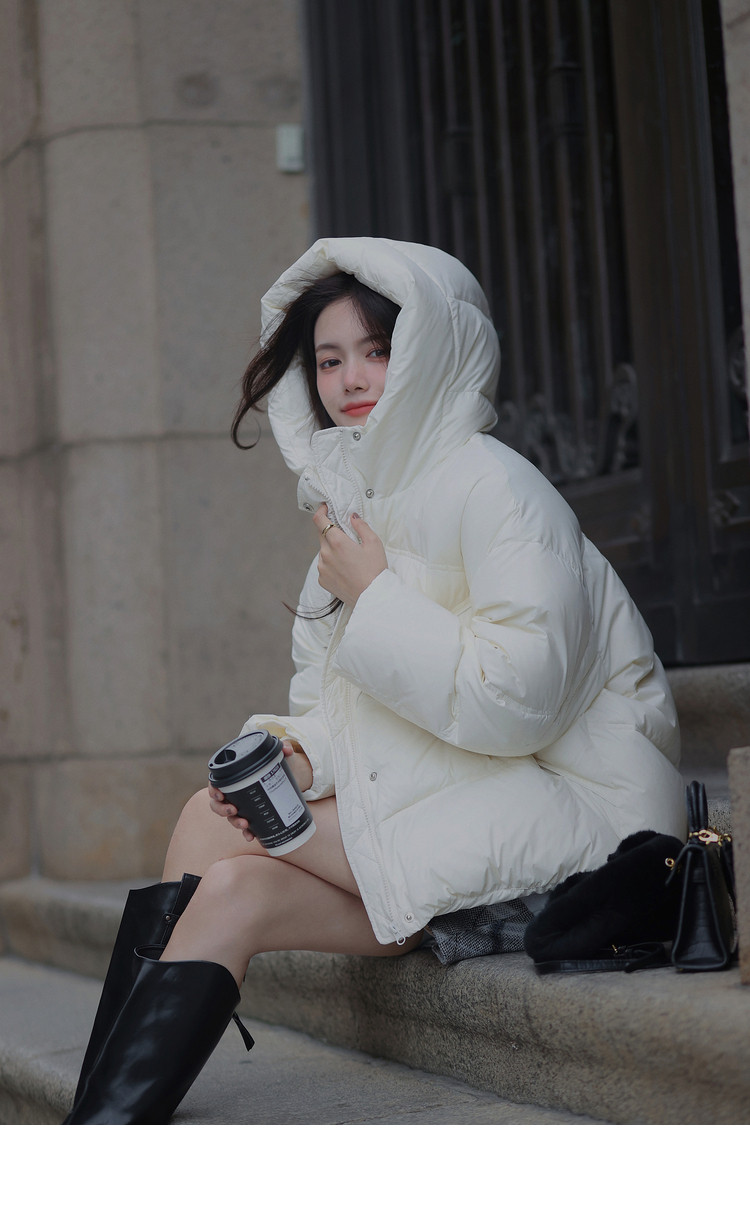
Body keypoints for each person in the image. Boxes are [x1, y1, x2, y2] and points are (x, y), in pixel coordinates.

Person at [64, 237, 685, 1125]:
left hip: (583, 819)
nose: (350, 378)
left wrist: (378, 595)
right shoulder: (353, 513)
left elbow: (519, 700)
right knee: (230, 877)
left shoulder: (500, 490)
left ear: (428, 349)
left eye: (378, 349)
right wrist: (301, 757)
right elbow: (336, 708)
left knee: (213, 829)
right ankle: (96, 1131)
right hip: (464, 797)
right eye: (328, 360)